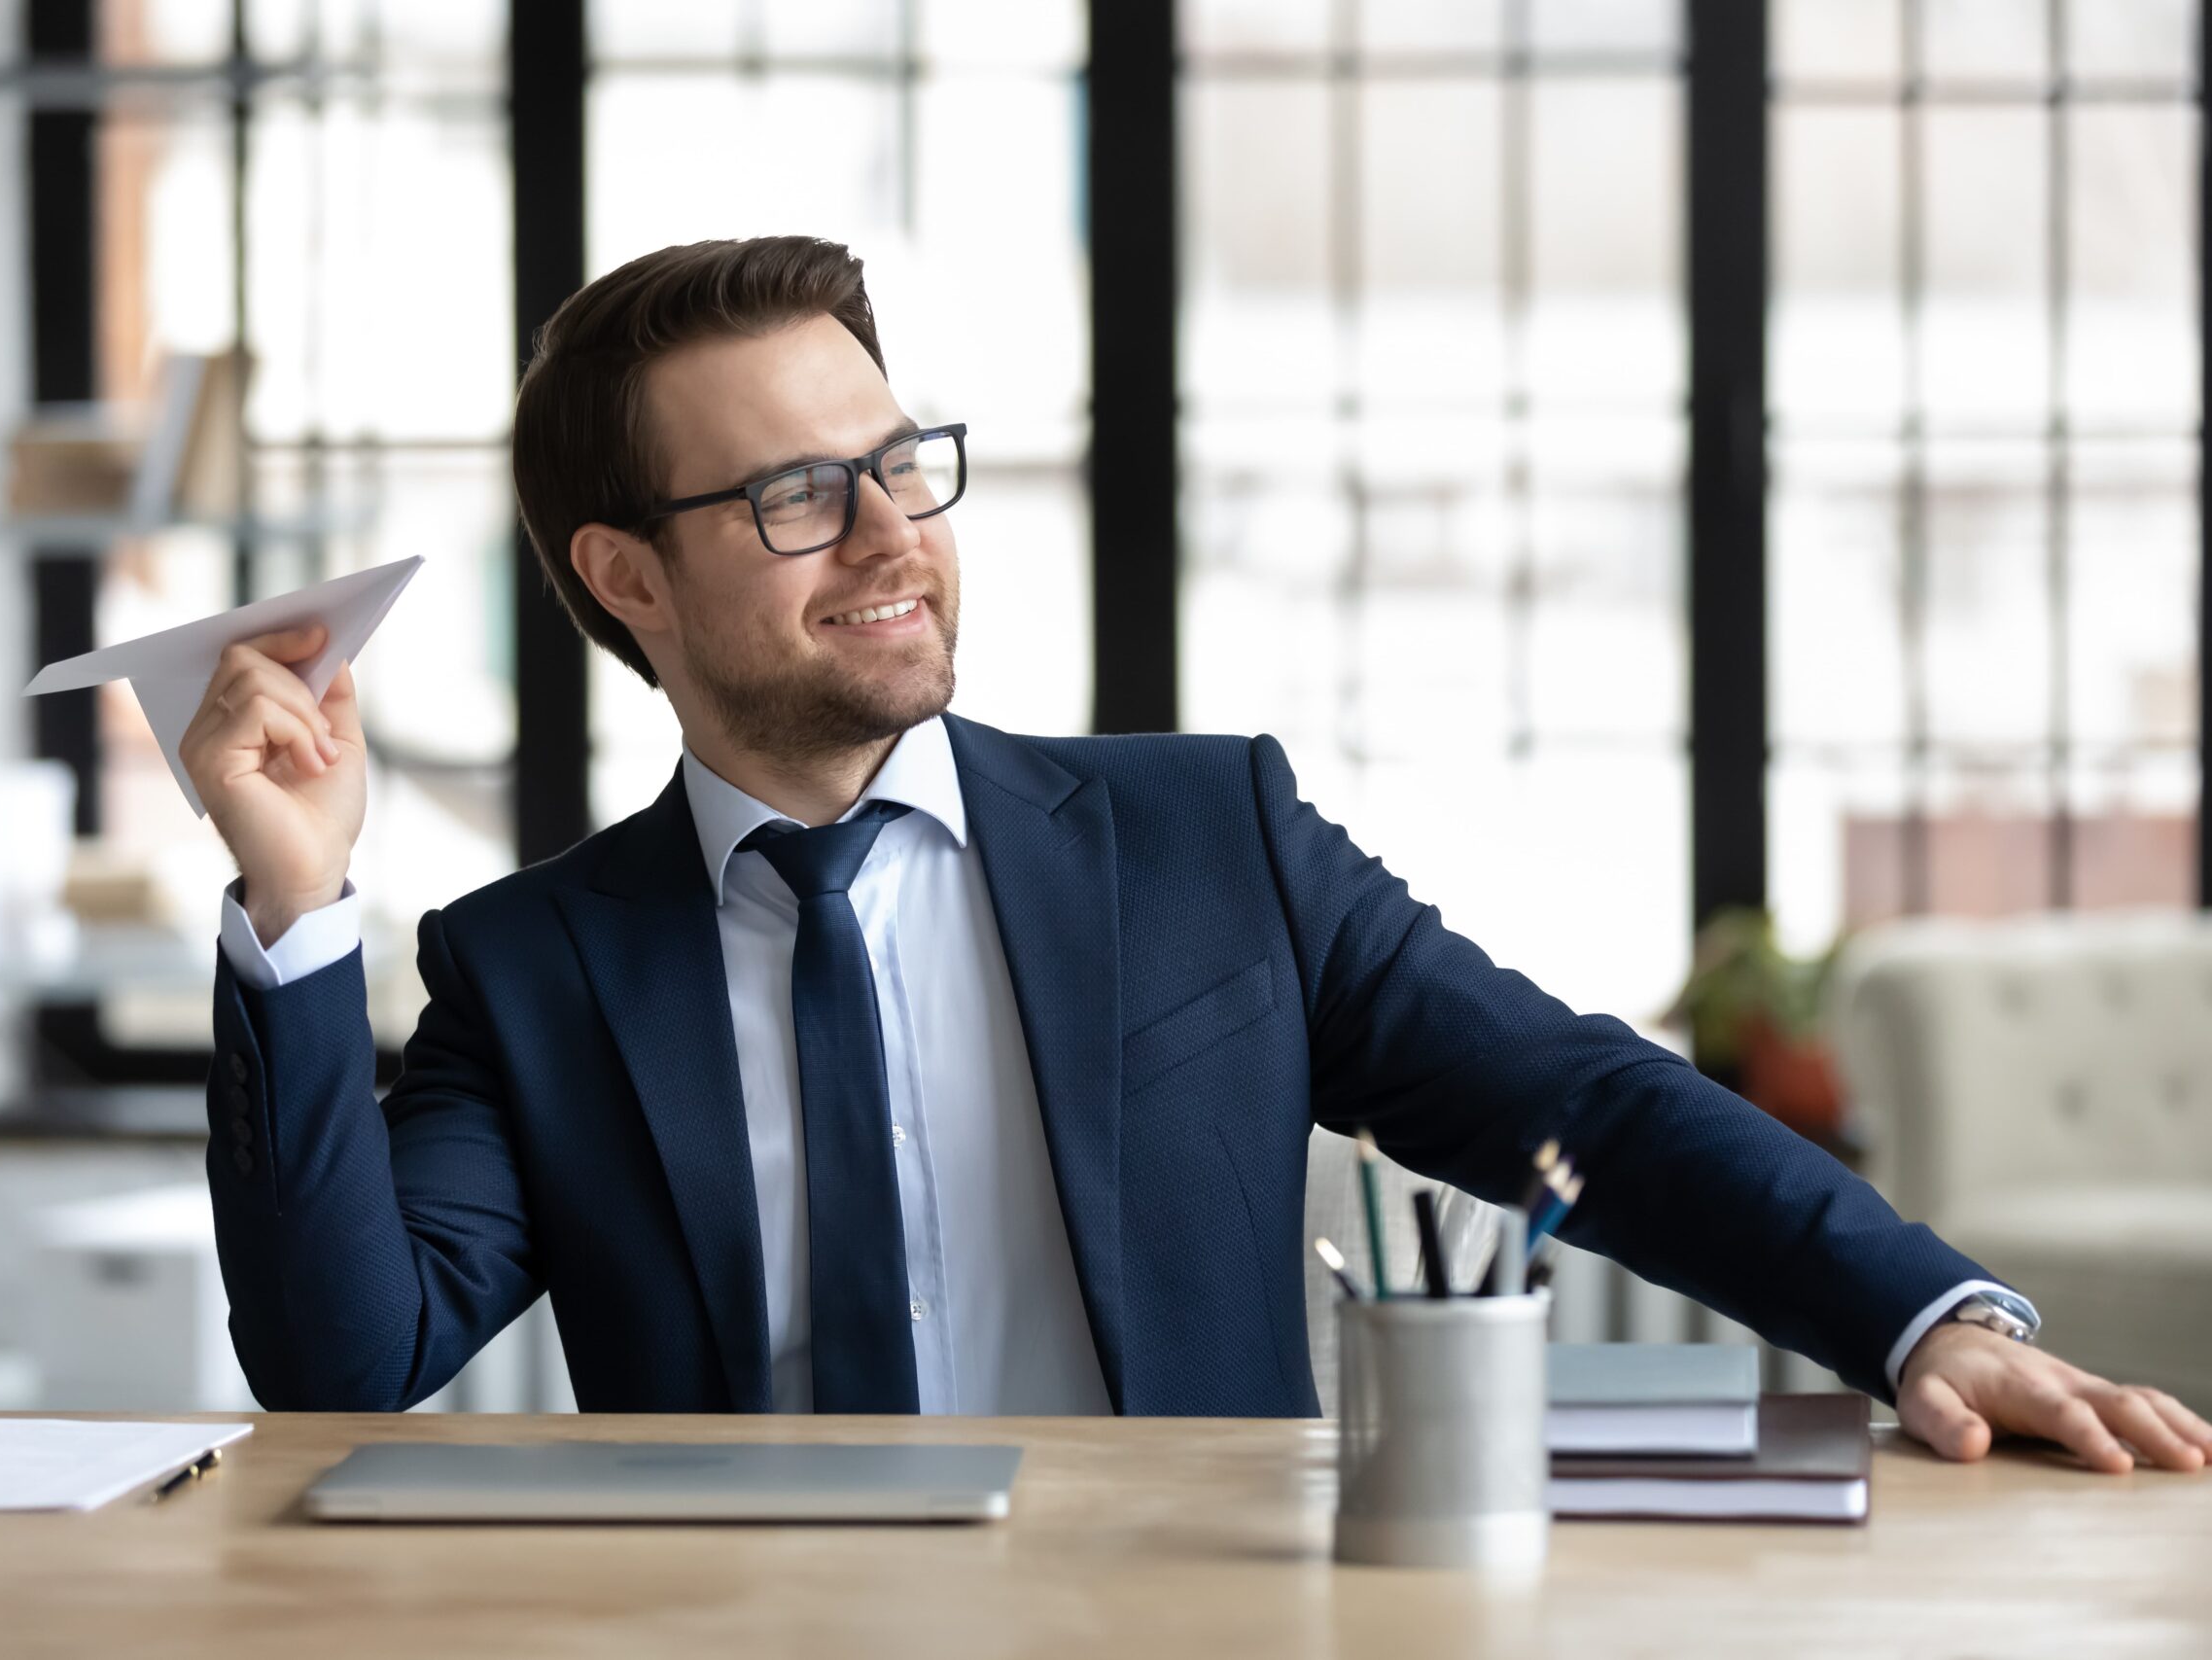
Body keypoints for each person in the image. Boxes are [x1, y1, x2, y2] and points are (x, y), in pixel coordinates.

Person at [181, 235, 2208, 1472]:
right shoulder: (535, 964)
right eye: (803, 495)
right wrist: (294, 900)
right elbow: (346, 1358)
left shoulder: (1196, 836)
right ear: (626, 576)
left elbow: (1574, 1099)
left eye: (900, 463)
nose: (897, 533)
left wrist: (1928, 1317)